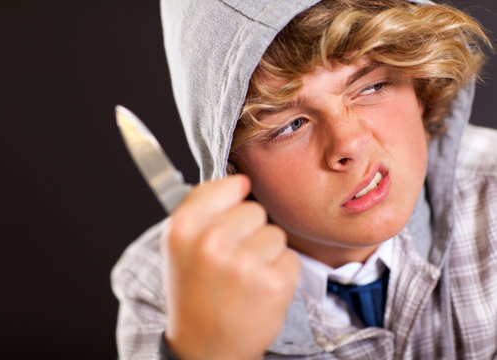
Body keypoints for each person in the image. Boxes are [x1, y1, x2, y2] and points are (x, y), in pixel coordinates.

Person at [112, 0, 496, 358]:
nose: (349, 144)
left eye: (371, 86)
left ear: (420, 83)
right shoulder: (164, 288)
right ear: (231, 164)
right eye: (291, 125)